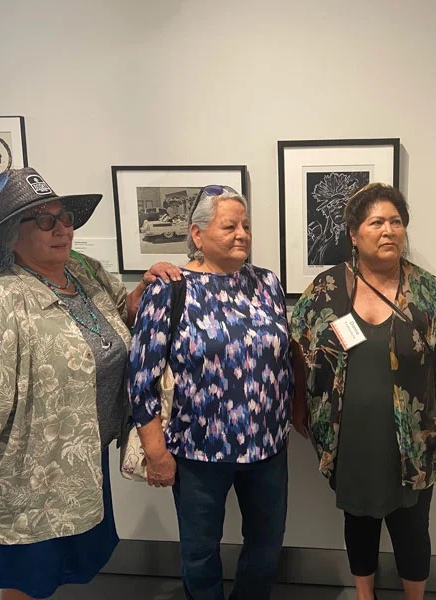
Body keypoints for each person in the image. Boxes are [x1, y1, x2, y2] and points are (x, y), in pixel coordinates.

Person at [0, 167, 179, 600]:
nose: (62, 229)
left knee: (56, 573)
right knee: (27, 579)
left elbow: (117, 316)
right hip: (27, 474)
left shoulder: (81, 270)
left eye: (65, 218)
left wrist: (144, 293)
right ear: (10, 237)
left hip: (76, 458)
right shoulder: (3, 301)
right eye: (45, 221)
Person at [290, 183, 436, 600]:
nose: (389, 230)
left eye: (396, 222)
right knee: (358, 522)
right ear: (353, 233)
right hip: (347, 437)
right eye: (376, 222)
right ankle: (365, 595)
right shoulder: (325, 290)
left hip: (414, 438)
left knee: (412, 527)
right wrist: (298, 404)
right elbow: (299, 350)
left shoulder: (429, 293)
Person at [127, 185, 295, 600]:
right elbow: (141, 377)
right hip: (198, 451)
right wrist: (156, 452)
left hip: (267, 448)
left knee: (267, 546)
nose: (242, 234)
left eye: (246, 226)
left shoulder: (267, 283)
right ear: (197, 234)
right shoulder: (170, 288)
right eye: (229, 226)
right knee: (200, 552)